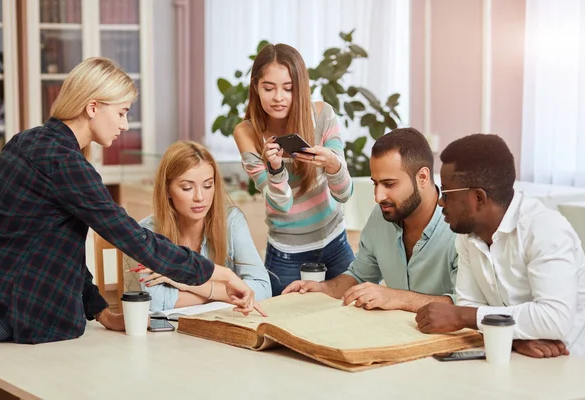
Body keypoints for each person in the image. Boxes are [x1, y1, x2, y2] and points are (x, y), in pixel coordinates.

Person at [0, 57, 264, 344]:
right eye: (121, 112)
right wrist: (216, 274)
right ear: (93, 107)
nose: (126, 124)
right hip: (11, 314)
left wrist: (102, 312)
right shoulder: (62, 161)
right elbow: (132, 237)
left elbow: (57, 246)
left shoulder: (28, 142)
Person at [416, 134, 585, 358]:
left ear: (478, 198)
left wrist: (460, 317)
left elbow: (554, 318)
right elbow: (471, 305)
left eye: (446, 193)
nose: (440, 201)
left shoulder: (544, 229)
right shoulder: (468, 236)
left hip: (569, 363)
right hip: (516, 358)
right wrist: (514, 339)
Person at [283, 128, 458, 312]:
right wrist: (321, 289)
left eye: (389, 184)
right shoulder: (381, 216)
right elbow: (359, 276)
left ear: (422, 177)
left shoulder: (460, 227)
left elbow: (466, 304)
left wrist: (396, 297)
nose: (378, 196)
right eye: (375, 183)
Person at [233, 43, 355, 296]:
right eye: (269, 88)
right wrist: (276, 170)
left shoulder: (322, 115)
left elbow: (344, 194)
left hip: (335, 243)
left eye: (288, 89)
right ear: (255, 86)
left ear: (300, 88)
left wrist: (332, 163)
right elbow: (281, 206)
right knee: (283, 329)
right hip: (287, 254)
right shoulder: (247, 133)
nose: (279, 97)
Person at [132, 141, 271, 311]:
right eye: (187, 187)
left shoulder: (231, 221)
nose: (200, 197)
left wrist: (184, 283)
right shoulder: (149, 232)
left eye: (207, 185)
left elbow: (263, 289)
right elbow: (156, 301)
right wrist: (225, 292)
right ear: (167, 190)